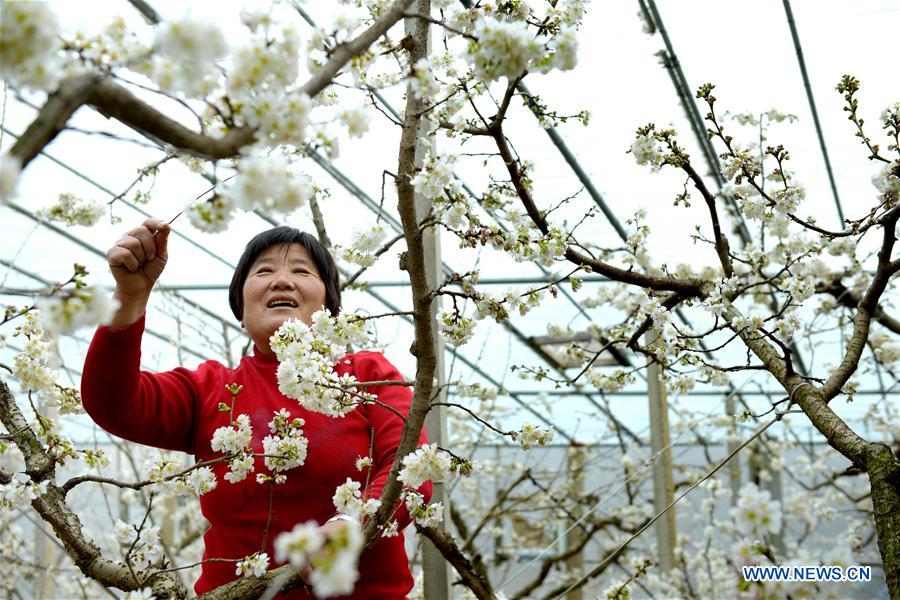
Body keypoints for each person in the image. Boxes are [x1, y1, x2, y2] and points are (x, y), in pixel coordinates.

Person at [81, 219, 430, 598]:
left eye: (301, 270)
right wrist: (129, 297)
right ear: (241, 311)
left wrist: (352, 523)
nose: (282, 280)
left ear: (330, 304)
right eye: (264, 271)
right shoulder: (211, 390)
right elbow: (114, 403)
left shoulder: (367, 375)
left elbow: (410, 471)